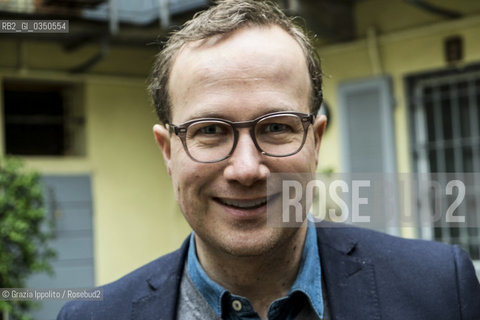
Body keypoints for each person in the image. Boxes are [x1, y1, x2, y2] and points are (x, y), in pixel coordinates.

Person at [57, 1, 480, 319]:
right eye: (210, 130)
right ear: (168, 151)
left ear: (315, 141)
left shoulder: (441, 289)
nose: (245, 169)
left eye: (276, 127)